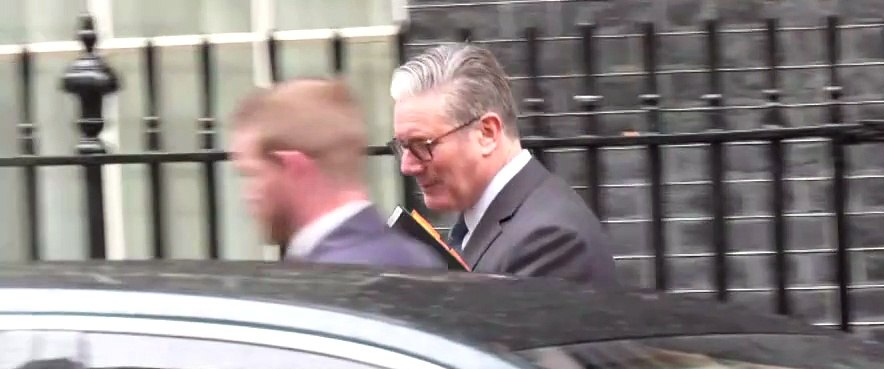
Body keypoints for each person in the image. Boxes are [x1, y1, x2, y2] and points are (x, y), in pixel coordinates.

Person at [389, 43, 618, 286]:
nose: (407, 166)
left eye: (422, 145)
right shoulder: (489, 219)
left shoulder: (550, 241)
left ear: (487, 133)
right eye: (403, 146)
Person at [229, 78, 445, 269]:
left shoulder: (324, 282)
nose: (247, 194)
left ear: (293, 166)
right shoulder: (419, 258)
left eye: (252, 174)